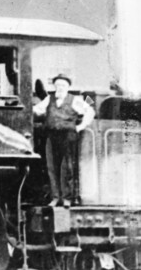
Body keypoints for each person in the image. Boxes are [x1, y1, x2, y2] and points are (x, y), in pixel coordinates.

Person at [32, 73, 95, 207]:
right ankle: (55, 198)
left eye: (63, 85)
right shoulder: (49, 99)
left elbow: (90, 111)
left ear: (68, 87)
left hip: (68, 136)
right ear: (55, 86)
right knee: (51, 167)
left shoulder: (75, 100)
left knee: (67, 167)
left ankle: (67, 198)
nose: (60, 87)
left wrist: (80, 126)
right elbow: (36, 110)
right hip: (51, 136)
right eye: (58, 85)